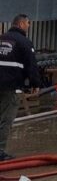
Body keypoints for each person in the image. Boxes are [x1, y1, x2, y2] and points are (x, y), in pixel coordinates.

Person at [0, 14, 40, 161]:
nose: (29, 26)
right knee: (6, 119)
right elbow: (31, 66)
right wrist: (35, 84)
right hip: (11, 86)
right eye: (28, 23)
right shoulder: (24, 42)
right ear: (22, 24)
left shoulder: (1, 38)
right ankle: (0, 151)